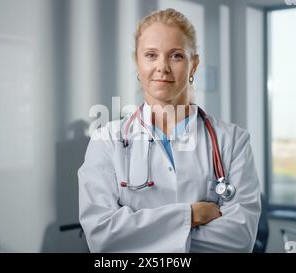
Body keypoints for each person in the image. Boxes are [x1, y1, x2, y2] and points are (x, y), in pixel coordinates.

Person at [78, 8, 261, 252]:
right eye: (151, 55)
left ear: (194, 64)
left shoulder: (232, 141)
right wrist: (191, 215)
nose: (162, 66)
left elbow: (240, 240)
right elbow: (102, 236)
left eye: (176, 56)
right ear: (137, 62)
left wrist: (139, 235)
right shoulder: (106, 141)